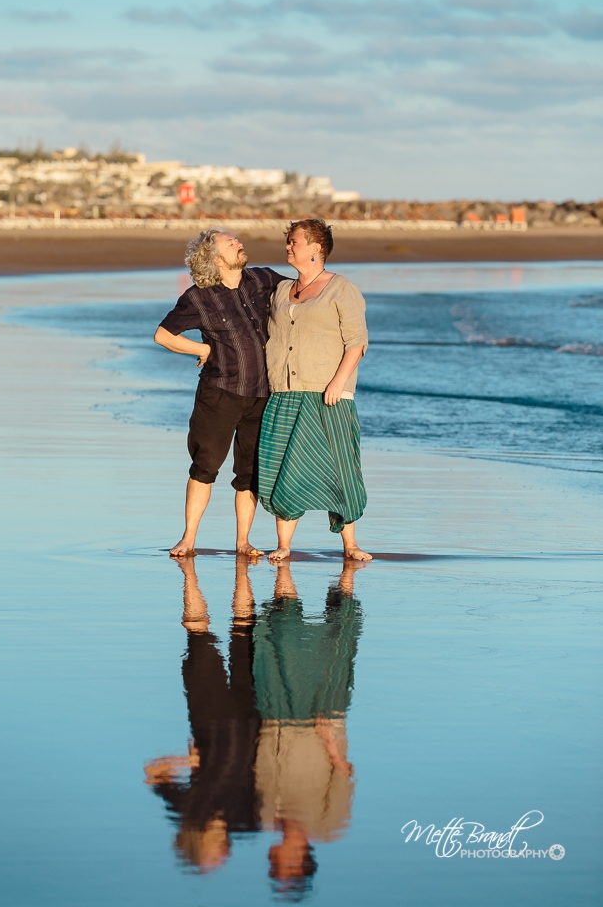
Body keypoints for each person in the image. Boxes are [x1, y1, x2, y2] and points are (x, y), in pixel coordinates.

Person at [154, 229, 286, 556]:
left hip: (262, 395)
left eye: (238, 240)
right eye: (231, 243)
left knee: (249, 473)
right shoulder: (198, 297)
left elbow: (301, 293)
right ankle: (188, 539)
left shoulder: (263, 279)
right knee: (205, 466)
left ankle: (243, 541)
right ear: (215, 258)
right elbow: (163, 335)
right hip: (219, 394)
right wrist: (202, 348)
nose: (240, 243)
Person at [258, 218, 372, 561]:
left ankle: (350, 545)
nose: (288, 247)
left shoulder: (342, 289)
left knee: (340, 467)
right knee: (281, 466)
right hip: (283, 392)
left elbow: (357, 343)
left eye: (295, 242)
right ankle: (284, 546)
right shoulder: (280, 291)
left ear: (316, 249)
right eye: (289, 241)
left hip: (327, 395)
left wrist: (338, 383)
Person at [253, 559, 364, 900]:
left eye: (276, 866)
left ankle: (287, 574)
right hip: (318, 728)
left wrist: (267, 721)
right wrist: (331, 739)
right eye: (284, 867)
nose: (276, 859)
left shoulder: (266, 818)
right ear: (301, 862)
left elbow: (261, 768)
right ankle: (345, 576)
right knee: (333, 641)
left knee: (281, 636)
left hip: (279, 717)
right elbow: (345, 775)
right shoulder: (331, 827)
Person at [144, 555, 262, 873]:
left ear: (196, 844)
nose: (222, 858)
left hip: (209, 720)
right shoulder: (246, 825)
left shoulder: (186, 810)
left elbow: (152, 773)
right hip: (253, 719)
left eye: (212, 860)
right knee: (243, 627)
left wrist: (189, 762)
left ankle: (190, 573)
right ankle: (238, 568)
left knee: (197, 633)